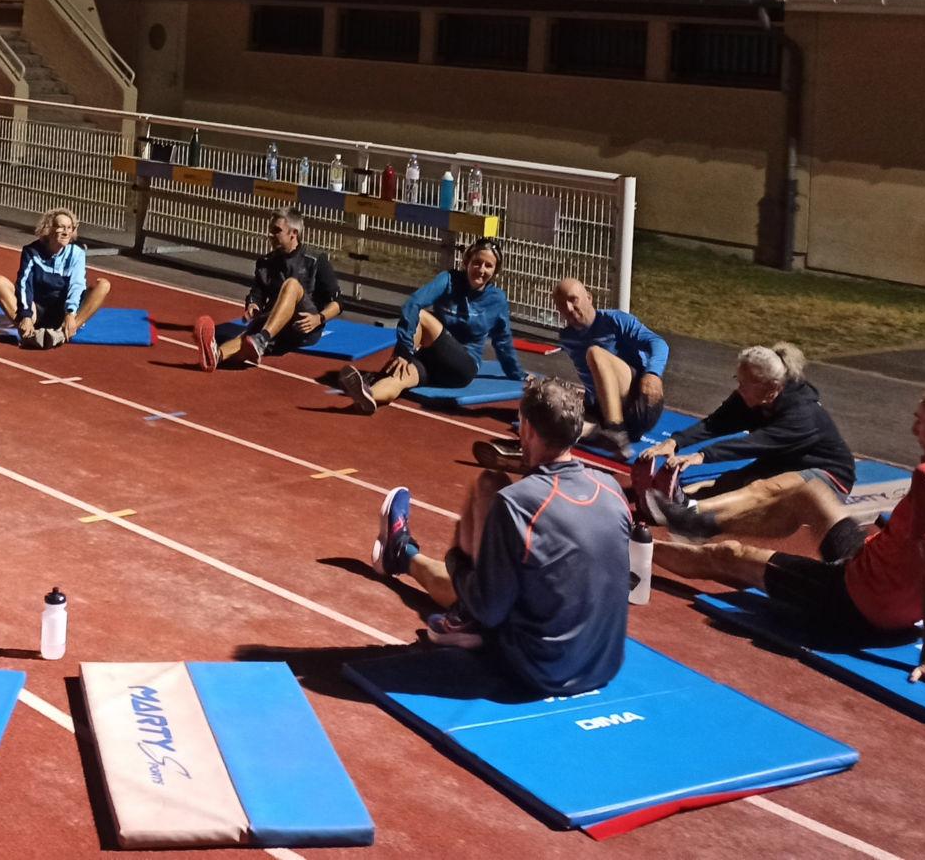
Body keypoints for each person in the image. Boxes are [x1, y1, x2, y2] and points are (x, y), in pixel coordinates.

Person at [655, 387, 925, 699]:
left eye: (921, 422)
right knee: (810, 490)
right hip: (865, 561)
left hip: (856, 601)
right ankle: (698, 519)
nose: (913, 428)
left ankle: (624, 548)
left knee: (730, 556)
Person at [370, 374, 633, 693]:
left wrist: (455, 560)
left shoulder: (518, 504)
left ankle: (408, 559)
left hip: (540, 668)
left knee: (477, 588)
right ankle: (403, 555)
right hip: (603, 665)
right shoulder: (611, 488)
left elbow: (489, 609)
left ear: (528, 430)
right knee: (488, 483)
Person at [635, 342, 855, 537]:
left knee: (760, 489)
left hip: (828, 477)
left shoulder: (803, 415)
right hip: (785, 461)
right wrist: (676, 442)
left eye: (745, 384)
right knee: (730, 483)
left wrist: (702, 456)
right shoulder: (752, 395)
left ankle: (691, 514)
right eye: (738, 380)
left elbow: (755, 443)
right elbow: (715, 424)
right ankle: (670, 499)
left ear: (772, 388)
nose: (739, 389)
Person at [337, 236, 523, 413]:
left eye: (488, 266)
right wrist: (405, 350)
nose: (481, 269)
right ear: (467, 262)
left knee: (422, 316)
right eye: (477, 262)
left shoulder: (497, 299)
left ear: (495, 272)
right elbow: (413, 302)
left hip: (463, 367)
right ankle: (369, 396)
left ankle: (391, 365)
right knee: (400, 379)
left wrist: (517, 373)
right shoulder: (449, 279)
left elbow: (503, 341)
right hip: (432, 360)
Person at [193, 210, 342, 370]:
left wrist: (318, 319)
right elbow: (256, 294)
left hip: (304, 323)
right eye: (270, 230)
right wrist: (253, 306)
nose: (270, 235)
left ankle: (262, 339)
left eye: (276, 230)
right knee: (246, 340)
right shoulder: (265, 262)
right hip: (276, 324)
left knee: (291, 285)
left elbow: (337, 303)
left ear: (294, 233)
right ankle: (215, 356)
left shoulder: (315, 260)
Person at [548, 275, 669, 458]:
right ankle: (598, 433)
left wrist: (653, 373)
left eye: (573, 300)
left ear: (589, 297)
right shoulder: (567, 337)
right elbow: (593, 379)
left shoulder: (615, 321)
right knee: (549, 409)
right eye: (562, 306)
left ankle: (615, 431)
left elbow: (658, 343)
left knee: (595, 353)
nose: (569, 309)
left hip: (639, 404)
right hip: (602, 409)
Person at [0, 207, 111, 349]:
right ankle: (28, 332)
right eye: (61, 227)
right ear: (48, 229)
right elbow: (24, 284)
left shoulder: (77, 253)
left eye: (70, 228)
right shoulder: (31, 252)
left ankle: (63, 333)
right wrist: (26, 315)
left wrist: (70, 313)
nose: (66, 232)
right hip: (37, 309)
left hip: (63, 312)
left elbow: (77, 284)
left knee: (103, 284)